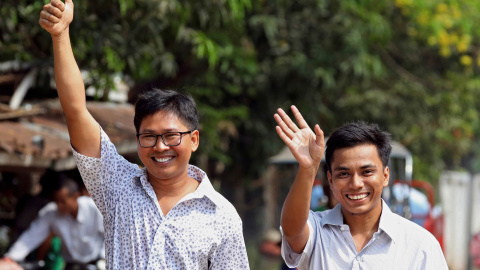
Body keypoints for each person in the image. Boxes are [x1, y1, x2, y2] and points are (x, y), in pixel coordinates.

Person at [38, 1, 249, 269]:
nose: (160, 147)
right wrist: (60, 35)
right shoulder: (115, 185)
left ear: (193, 139)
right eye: (149, 137)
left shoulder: (221, 215)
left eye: (171, 136)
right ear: (137, 140)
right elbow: (76, 111)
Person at [273, 105, 448, 269]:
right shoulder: (317, 230)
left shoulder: (420, 245)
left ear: (385, 176)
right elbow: (292, 232)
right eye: (344, 174)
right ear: (330, 180)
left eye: (366, 172)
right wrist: (308, 168)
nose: (356, 184)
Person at [0, 177, 105, 269]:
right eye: (57, 201)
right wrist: (10, 258)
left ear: (75, 196)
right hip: (70, 265)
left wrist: (104, 258)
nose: (59, 206)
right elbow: (31, 237)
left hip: (97, 264)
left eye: (63, 202)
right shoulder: (51, 212)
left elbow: (113, 235)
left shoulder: (95, 208)